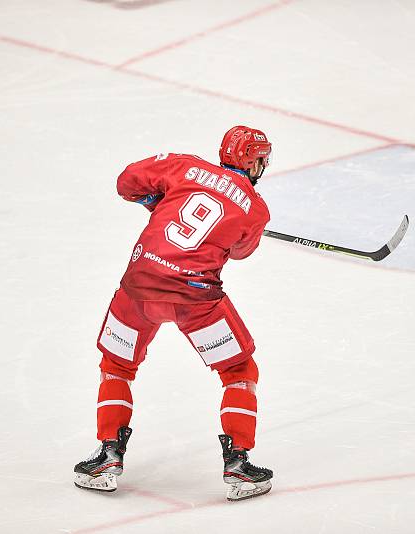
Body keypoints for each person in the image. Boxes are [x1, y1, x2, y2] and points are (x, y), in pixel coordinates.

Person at [74, 126, 274, 501]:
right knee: (239, 372)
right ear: (254, 160)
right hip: (195, 299)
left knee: (116, 366)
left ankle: (107, 457)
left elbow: (126, 182)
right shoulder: (255, 208)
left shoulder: (183, 166)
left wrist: (157, 198)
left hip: (139, 285)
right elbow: (240, 251)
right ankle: (239, 466)